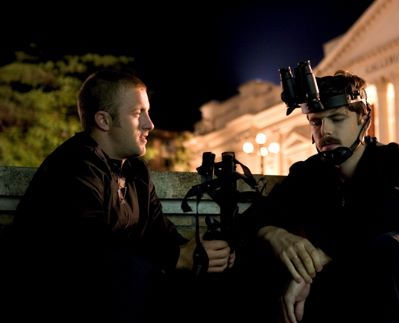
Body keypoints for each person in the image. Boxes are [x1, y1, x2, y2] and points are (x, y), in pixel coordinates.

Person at [8, 70, 234, 322]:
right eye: (139, 113)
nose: (150, 124)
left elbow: (161, 234)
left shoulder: (136, 171)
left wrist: (204, 250)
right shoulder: (74, 165)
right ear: (104, 120)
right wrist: (177, 258)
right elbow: (94, 249)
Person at [246, 70, 399, 322]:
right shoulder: (308, 173)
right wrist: (274, 235)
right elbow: (256, 215)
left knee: (388, 245)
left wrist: (320, 257)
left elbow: (394, 214)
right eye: (315, 122)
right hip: (343, 284)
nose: (325, 130)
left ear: (363, 118)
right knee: (271, 259)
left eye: (337, 118)